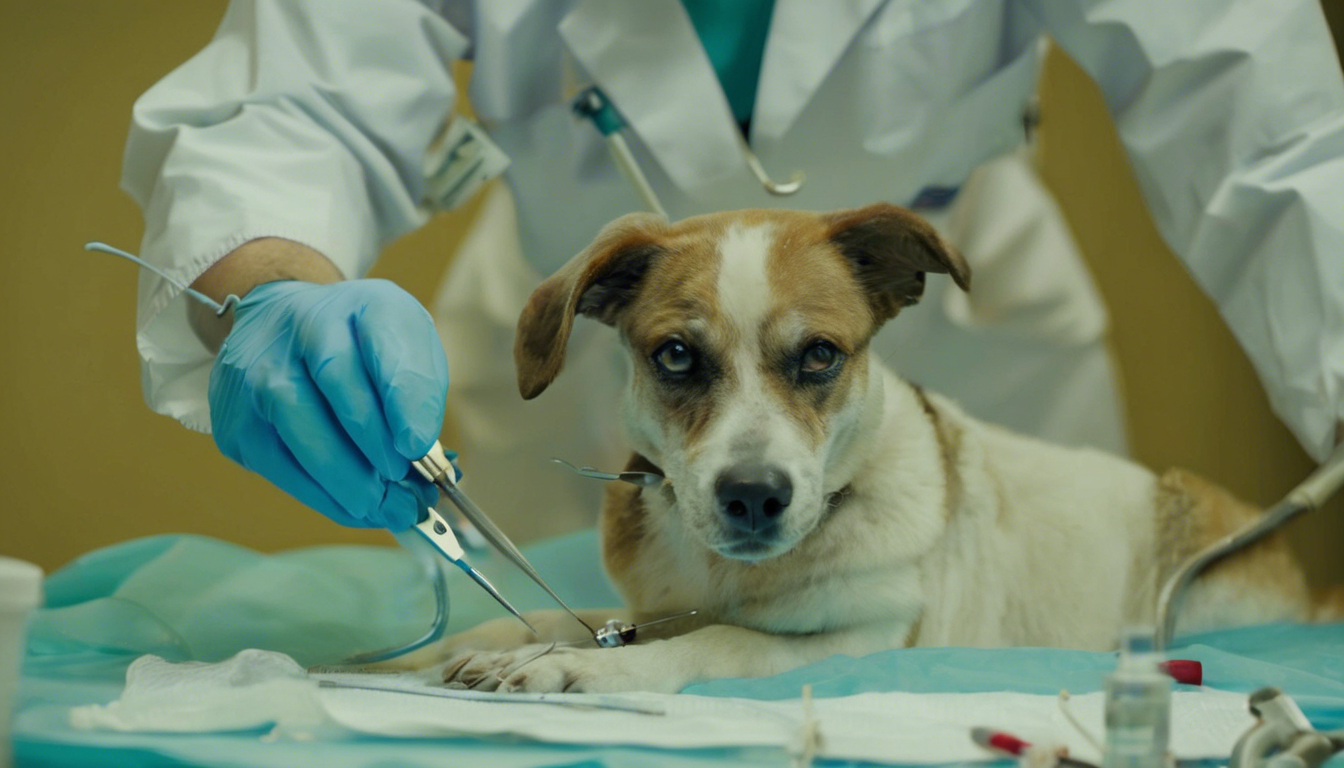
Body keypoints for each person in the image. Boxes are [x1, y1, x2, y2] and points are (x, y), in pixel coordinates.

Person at [122, 0, 1344, 538]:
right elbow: (293, 99)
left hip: (965, 344)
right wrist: (271, 287)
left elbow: (1273, 128)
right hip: (584, 349)